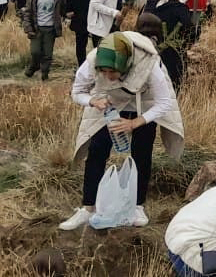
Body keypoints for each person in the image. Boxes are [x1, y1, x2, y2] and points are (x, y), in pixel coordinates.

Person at [59, 31, 185, 231]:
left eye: (112, 72)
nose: (108, 77)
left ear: (125, 65)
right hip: (109, 102)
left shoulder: (149, 65)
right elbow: (77, 92)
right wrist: (92, 101)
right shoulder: (92, 62)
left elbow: (164, 103)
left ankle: (137, 206)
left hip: (144, 102)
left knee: (141, 152)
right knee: (97, 150)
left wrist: (135, 123)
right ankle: (88, 208)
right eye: (104, 72)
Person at [143, 0, 194, 90]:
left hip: (146, 49)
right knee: (173, 82)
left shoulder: (149, 3)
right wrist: (185, 45)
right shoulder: (180, 8)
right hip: (172, 52)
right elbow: (190, 31)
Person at [18, 0, 66, 81]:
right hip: (37, 29)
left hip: (50, 29)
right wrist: (28, 28)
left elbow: (62, 11)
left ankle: (45, 74)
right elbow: (28, 13)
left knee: (47, 54)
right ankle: (33, 66)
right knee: (35, 52)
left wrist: (66, 15)